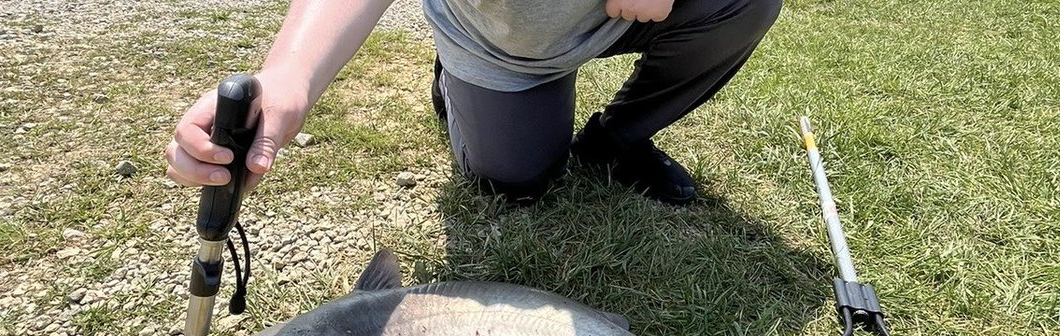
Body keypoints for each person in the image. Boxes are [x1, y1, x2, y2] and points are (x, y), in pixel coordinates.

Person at [165, 0, 782, 204]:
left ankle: (615, 140)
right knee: (513, 181)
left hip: (617, 18)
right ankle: (456, 82)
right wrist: (289, 74)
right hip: (499, 48)